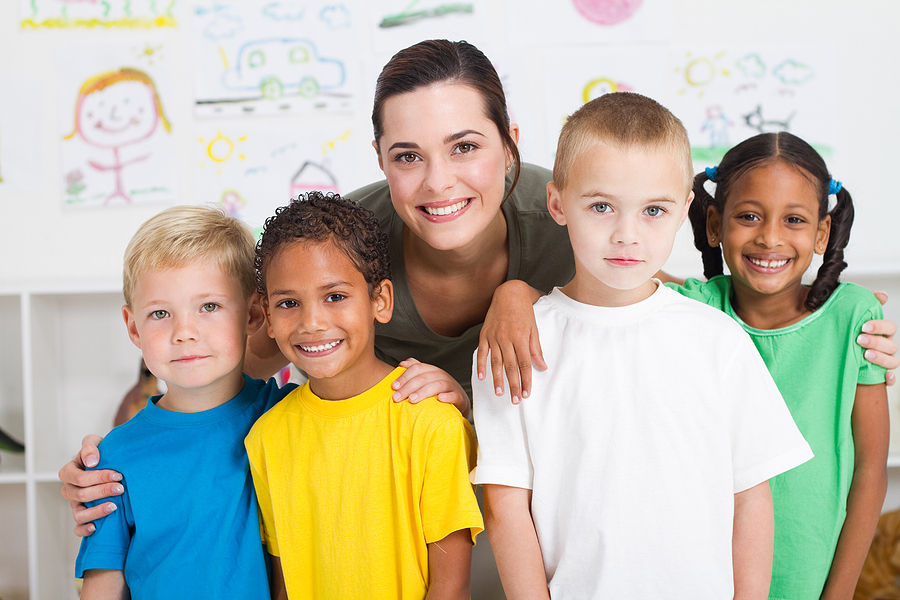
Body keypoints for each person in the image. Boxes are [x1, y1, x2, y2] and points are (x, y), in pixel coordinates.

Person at [473, 92, 814, 599]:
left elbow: (751, 497)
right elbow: (506, 508)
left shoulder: (717, 339)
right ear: (557, 204)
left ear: (684, 212)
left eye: (653, 209)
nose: (626, 235)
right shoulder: (514, 345)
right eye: (602, 206)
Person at [245, 191, 483, 599]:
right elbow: (285, 583)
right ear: (267, 317)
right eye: (289, 303)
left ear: (381, 301)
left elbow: (451, 586)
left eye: (335, 296)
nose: (312, 322)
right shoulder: (265, 438)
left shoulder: (431, 424)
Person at [681, 132, 888, 599]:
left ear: (822, 233)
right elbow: (622, 279)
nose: (770, 237)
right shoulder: (691, 312)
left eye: (793, 219)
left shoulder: (855, 317)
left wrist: (838, 594)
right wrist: (516, 293)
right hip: (706, 575)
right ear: (714, 224)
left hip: (808, 577)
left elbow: (870, 471)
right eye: (749, 216)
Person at [74, 206, 294, 599]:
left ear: (254, 314)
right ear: (133, 327)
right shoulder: (114, 455)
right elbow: (103, 582)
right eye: (160, 313)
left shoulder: (293, 416)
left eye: (209, 306)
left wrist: (435, 382)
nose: (184, 332)